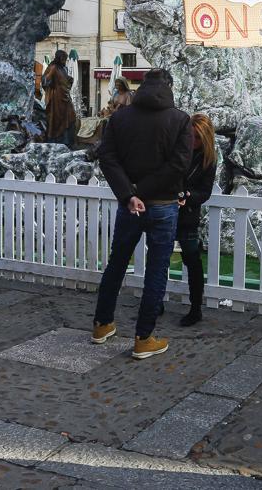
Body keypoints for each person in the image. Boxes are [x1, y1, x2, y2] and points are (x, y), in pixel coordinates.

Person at [92, 68, 192, 358]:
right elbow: (179, 164)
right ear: (169, 87)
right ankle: (143, 337)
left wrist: (130, 194)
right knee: (157, 269)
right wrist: (143, 191)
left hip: (130, 205)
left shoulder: (120, 117)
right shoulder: (180, 119)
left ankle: (102, 324)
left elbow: (107, 157)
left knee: (117, 263)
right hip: (162, 203)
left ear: (141, 86)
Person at [177, 113, 218, 327]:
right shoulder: (179, 149)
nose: (193, 141)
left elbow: (205, 192)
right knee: (160, 257)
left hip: (188, 215)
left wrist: (188, 196)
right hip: (169, 209)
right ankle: (156, 302)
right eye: (191, 136)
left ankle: (195, 308)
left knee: (192, 261)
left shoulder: (208, 160)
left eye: (197, 138)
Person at [42, 49, 77, 146]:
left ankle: (67, 141)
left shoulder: (63, 68)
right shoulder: (52, 67)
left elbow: (65, 82)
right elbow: (45, 81)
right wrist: (50, 74)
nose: (65, 61)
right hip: (56, 98)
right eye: (64, 59)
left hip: (65, 96)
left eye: (65, 59)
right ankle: (57, 140)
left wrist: (69, 79)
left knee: (71, 116)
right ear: (59, 58)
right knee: (56, 119)